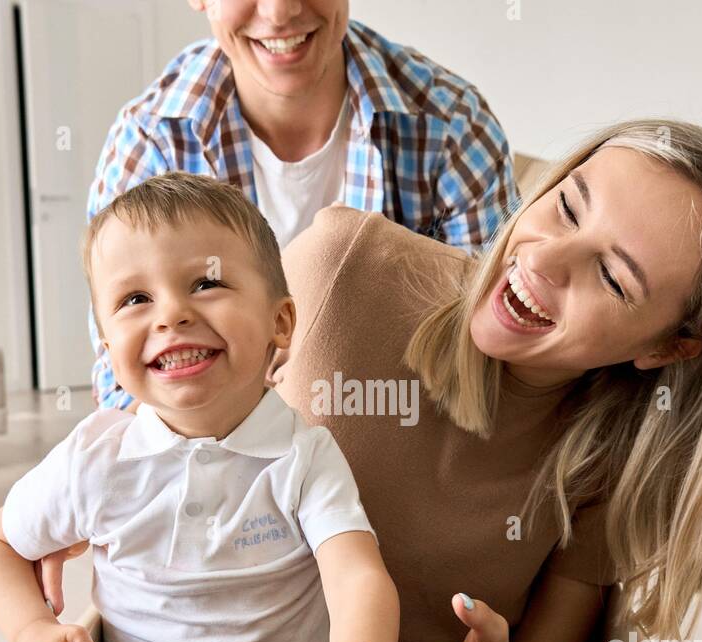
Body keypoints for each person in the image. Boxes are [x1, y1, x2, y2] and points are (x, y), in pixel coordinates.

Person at [41, 118, 702, 642]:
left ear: (667, 348)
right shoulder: (346, 271)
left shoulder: (609, 466)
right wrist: (112, 486)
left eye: (613, 276)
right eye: (568, 206)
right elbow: (178, 379)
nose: (545, 259)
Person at [0, 173, 415, 642]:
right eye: (133, 300)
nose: (172, 314)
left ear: (279, 322)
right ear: (107, 347)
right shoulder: (97, 462)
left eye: (206, 283)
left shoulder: (303, 455)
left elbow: (357, 575)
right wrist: (31, 632)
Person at [87, 0, 517, 410]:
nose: (281, 12)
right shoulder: (151, 140)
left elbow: (488, 357)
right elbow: (122, 380)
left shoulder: (451, 126)